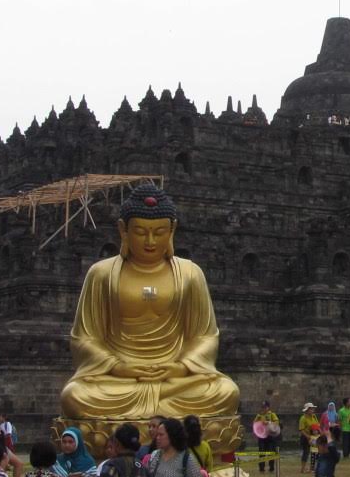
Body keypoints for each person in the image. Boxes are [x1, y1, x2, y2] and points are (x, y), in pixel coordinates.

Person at [59, 182, 240, 427]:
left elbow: (205, 337)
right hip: (121, 380)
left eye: (159, 231)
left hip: (174, 379)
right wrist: (118, 367)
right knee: (75, 396)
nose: (151, 240)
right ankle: (164, 419)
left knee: (226, 391)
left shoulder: (190, 273)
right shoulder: (101, 274)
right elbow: (84, 339)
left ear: (172, 229)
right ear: (123, 230)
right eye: (141, 232)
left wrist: (180, 367)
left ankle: (150, 413)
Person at [253, 400, 279, 472]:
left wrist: (268, 422)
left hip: (270, 436)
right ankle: (261, 468)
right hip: (261, 436)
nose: (264, 409)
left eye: (265, 407)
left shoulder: (272, 414)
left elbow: (276, 422)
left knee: (271, 452)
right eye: (263, 407)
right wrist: (257, 419)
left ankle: (271, 467)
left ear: (268, 407)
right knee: (261, 452)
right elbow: (255, 424)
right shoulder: (259, 415)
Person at [298, 403, 321, 472]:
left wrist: (320, 433)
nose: (312, 410)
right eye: (311, 409)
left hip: (314, 437)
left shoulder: (314, 416)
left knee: (315, 452)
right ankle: (302, 468)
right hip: (305, 437)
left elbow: (317, 426)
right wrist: (308, 437)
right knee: (306, 452)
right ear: (307, 410)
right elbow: (301, 430)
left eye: (313, 408)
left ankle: (312, 468)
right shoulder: (303, 418)